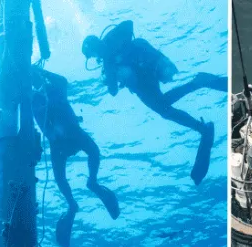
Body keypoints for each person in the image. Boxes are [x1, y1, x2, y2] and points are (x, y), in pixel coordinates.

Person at [81, 20, 228, 184]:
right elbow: (128, 27)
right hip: (145, 73)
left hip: (143, 75)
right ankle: (200, 120)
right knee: (164, 108)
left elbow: (113, 91)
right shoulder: (110, 52)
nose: (95, 58)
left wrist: (109, 71)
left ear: (93, 48)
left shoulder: (109, 51)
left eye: (92, 55)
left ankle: (198, 93)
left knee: (163, 108)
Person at [29, 65, 119, 247]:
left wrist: (42, 72)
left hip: (68, 135)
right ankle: (74, 201)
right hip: (61, 141)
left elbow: (62, 81)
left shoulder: (52, 89)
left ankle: (89, 185)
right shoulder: (35, 97)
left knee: (90, 154)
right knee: (62, 175)